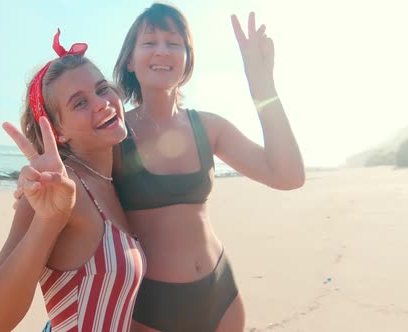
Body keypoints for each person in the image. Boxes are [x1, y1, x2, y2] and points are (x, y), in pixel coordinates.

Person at [111, 3, 305, 331]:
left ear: (187, 59)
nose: (163, 51)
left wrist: (262, 84)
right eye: (149, 43)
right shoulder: (113, 135)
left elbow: (288, 176)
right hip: (151, 304)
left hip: (221, 292)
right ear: (130, 60)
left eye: (174, 43)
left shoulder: (209, 127)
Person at [0, 30, 146, 332]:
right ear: (57, 132)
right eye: (79, 103)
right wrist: (48, 221)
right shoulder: (56, 189)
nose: (102, 103)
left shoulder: (115, 178)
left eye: (102, 89)